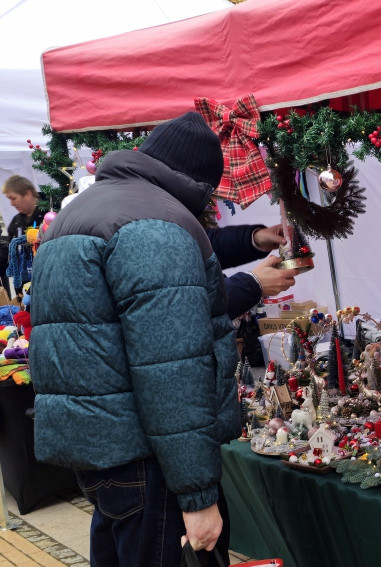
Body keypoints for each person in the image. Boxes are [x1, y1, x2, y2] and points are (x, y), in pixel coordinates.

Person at [30, 111, 238, 566]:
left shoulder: (80, 211)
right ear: (201, 186)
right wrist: (199, 498)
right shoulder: (157, 227)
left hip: (103, 450)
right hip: (147, 458)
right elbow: (172, 372)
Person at [2, 175, 46, 295]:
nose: (11, 203)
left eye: (13, 198)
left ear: (27, 194)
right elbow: (9, 252)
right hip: (22, 287)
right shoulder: (16, 221)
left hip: (44, 283)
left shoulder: (47, 216)